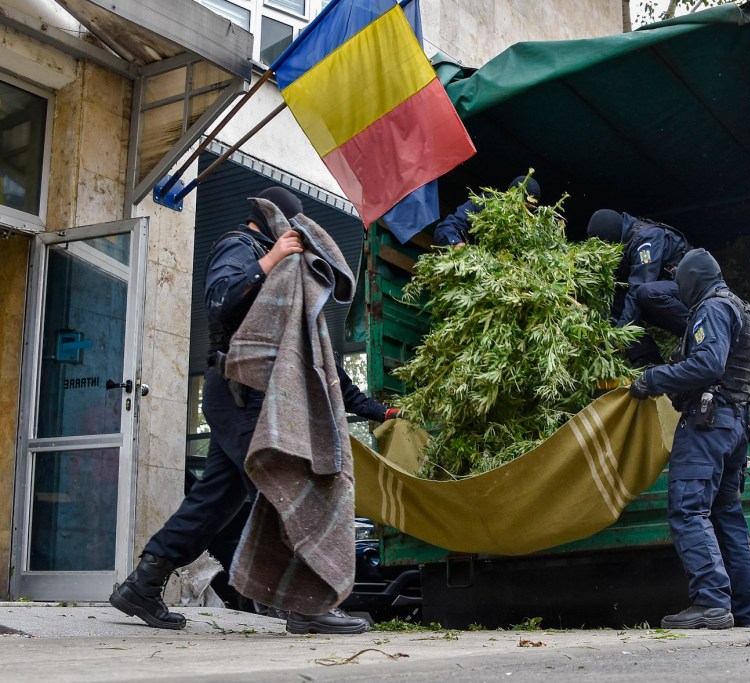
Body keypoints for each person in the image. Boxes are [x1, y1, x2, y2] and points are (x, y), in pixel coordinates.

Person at [109, 186, 393, 634]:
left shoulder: (292, 270)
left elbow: (321, 362)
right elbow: (220, 301)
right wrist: (272, 258)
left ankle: (142, 585)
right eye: (289, 229)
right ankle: (308, 607)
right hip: (239, 391)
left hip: (259, 399)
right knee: (289, 486)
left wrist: (377, 411)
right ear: (270, 220)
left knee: (216, 500)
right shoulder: (238, 246)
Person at [628, 247, 750, 630]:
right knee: (726, 515)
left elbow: (708, 363)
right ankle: (743, 611)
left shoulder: (713, 308)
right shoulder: (743, 309)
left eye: (680, 281)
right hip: (735, 423)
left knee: (688, 509)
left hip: (708, 423)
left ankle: (711, 603)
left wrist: (652, 380)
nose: (678, 288)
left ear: (694, 279)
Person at [586, 209, 692, 367]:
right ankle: (647, 360)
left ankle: (702, 333)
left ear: (611, 236)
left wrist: (619, 335)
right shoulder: (626, 242)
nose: (605, 248)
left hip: (691, 295)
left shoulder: (647, 239)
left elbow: (639, 287)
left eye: (605, 243)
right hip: (667, 295)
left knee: (645, 293)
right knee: (612, 295)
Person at [433, 175, 541, 247]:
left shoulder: (529, 231)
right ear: (510, 196)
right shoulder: (485, 204)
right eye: (521, 207)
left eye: (529, 210)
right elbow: (446, 228)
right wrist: (457, 245)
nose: (523, 213)